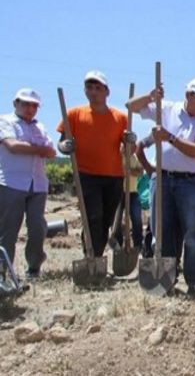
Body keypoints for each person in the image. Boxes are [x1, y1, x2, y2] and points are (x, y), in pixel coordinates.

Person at [127, 77, 195, 296]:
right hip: (162, 179)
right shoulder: (166, 109)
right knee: (162, 230)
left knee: (193, 234)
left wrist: (169, 137)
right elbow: (131, 106)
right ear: (188, 96)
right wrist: (150, 97)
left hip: (191, 182)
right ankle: (166, 282)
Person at [57, 71, 130, 260]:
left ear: (107, 92)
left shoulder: (120, 118)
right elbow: (62, 142)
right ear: (85, 91)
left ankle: (96, 255)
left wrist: (130, 141)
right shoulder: (74, 114)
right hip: (86, 174)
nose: (94, 91)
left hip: (113, 175)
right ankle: (91, 256)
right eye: (90, 87)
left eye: (98, 88)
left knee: (106, 220)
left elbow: (128, 147)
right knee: (93, 217)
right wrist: (65, 146)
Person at [0, 88, 56, 278]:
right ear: (16, 103)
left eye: (34, 105)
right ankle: (3, 273)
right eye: (25, 104)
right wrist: (39, 149)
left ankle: (34, 267)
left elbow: (51, 151)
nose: (30, 108)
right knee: (9, 229)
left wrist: (36, 149)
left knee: (37, 228)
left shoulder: (39, 127)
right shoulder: (5, 121)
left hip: (38, 184)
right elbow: (13, 146)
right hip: (12, 183)